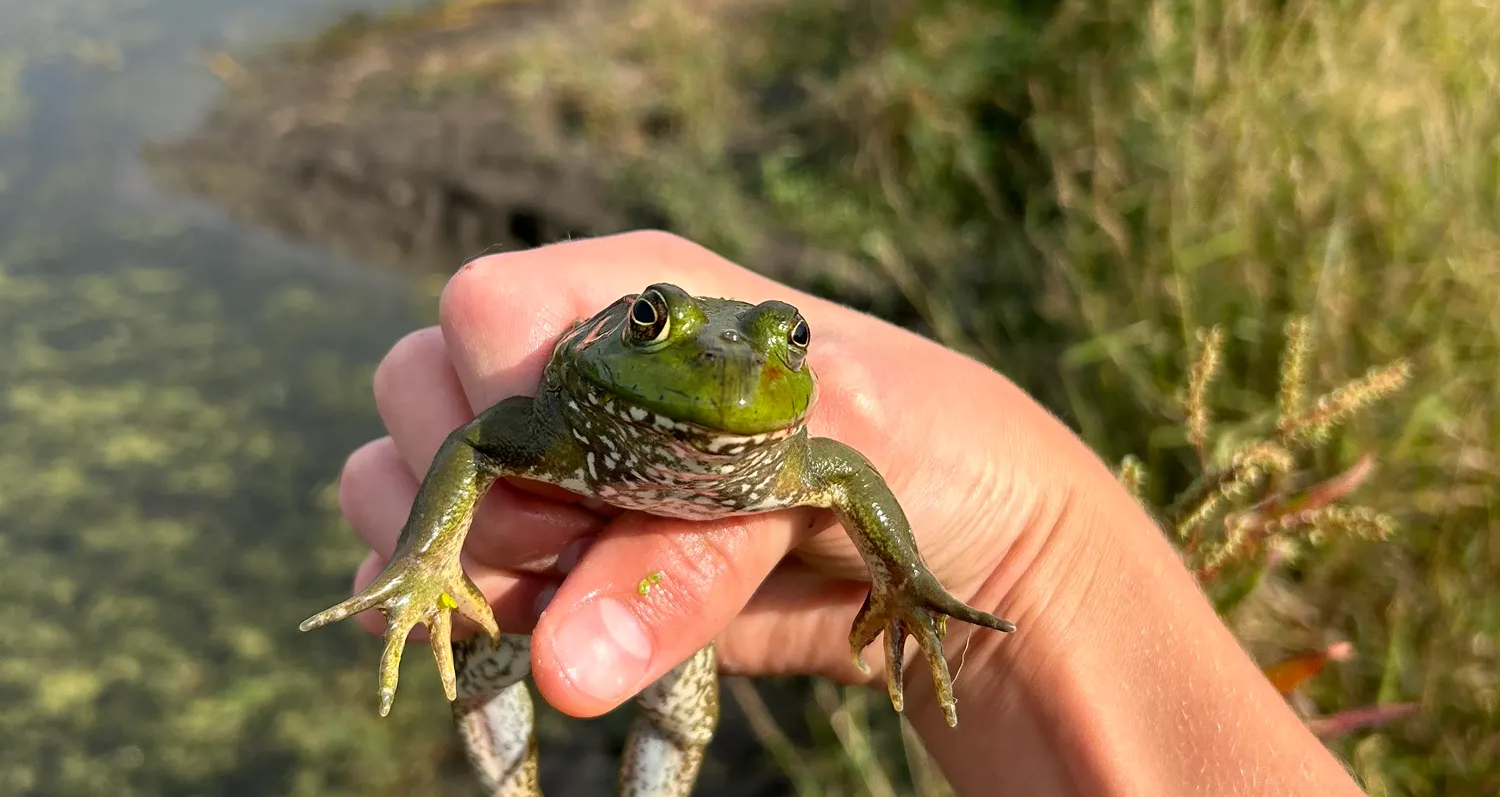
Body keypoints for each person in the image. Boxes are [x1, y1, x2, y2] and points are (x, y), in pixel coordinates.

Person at [335, 231, 1362, 796]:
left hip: (683, 566)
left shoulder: (793, 454)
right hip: (582, 492)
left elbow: (848, 479)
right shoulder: (561, 419)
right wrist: (430, 560)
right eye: (657, 323)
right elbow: (474, 441)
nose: (738, 370)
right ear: (618, 333)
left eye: (787, 345)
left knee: (674, 712)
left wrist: (919, 577)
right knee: (472, 638)